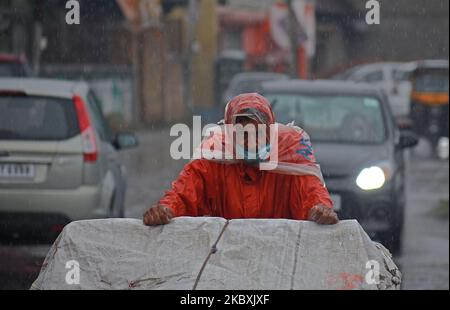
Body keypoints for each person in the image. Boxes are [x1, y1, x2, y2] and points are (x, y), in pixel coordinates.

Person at [143, 93, 339, 226]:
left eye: (258, 131)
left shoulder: (290, 156)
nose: (251, 139)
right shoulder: (214, 159)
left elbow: (310, 190)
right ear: (229, 134)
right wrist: (166, 209)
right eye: (242, 132)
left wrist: (319, 209)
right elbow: (184, 192)